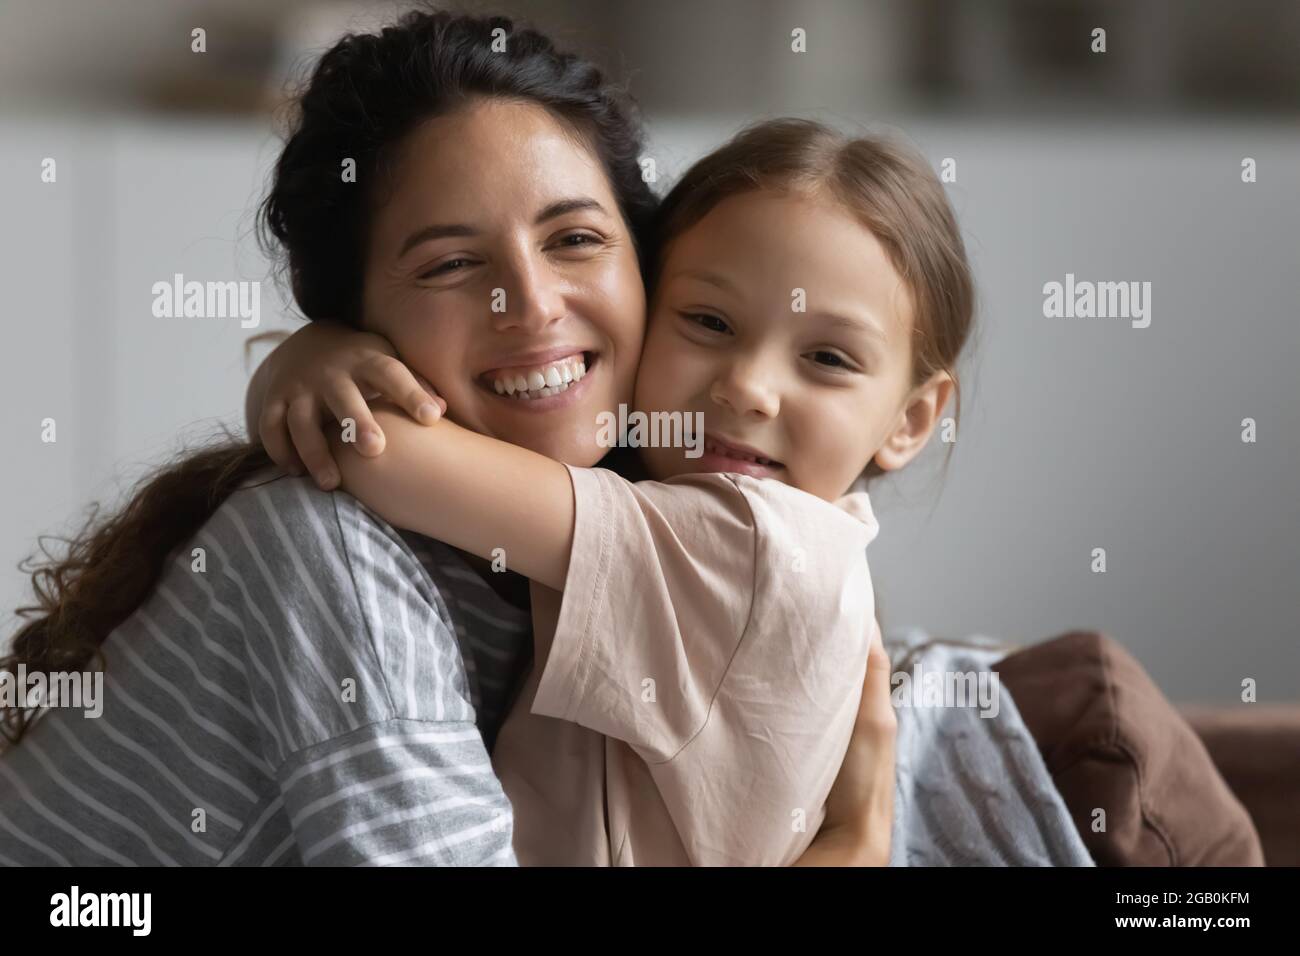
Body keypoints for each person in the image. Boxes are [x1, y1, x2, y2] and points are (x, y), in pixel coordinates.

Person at [0, 11, 891, 866]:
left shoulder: (640, 530)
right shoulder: (330, 551)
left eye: (576, 238)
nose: (532, 304)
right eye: (451, 264)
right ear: (361, 318)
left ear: (646, 265)